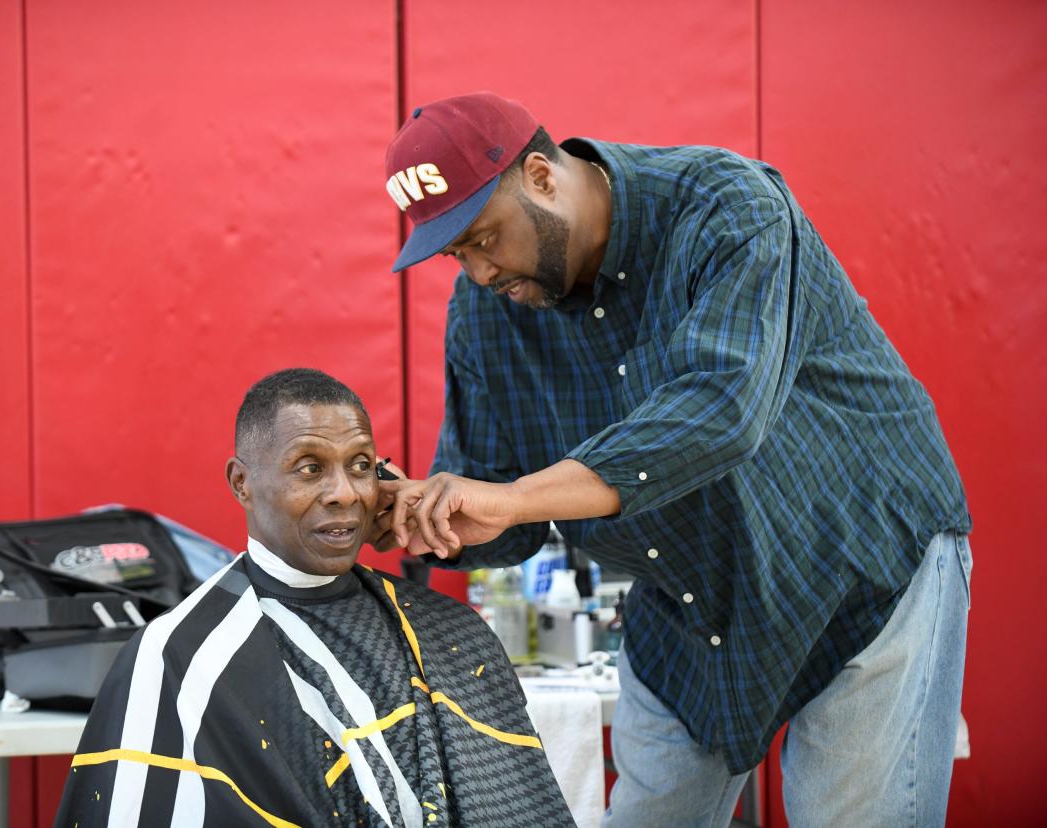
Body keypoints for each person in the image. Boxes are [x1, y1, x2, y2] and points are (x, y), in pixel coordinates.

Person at [374, 92, 972, 827]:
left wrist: (518, 498)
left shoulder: (727, 207)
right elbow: (506, 505)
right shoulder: (486, 312)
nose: (477, 272)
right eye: (454, 254)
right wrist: (439, 518)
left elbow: (719, 413)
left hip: (858, 564)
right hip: (687, 609)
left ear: (539, 175)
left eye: (483, 237)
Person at [55, 368, 573, 827]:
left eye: (362, 465)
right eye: (310, 468)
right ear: (242, 483)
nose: (345, 492)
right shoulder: (178, 657)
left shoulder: (451, 633)